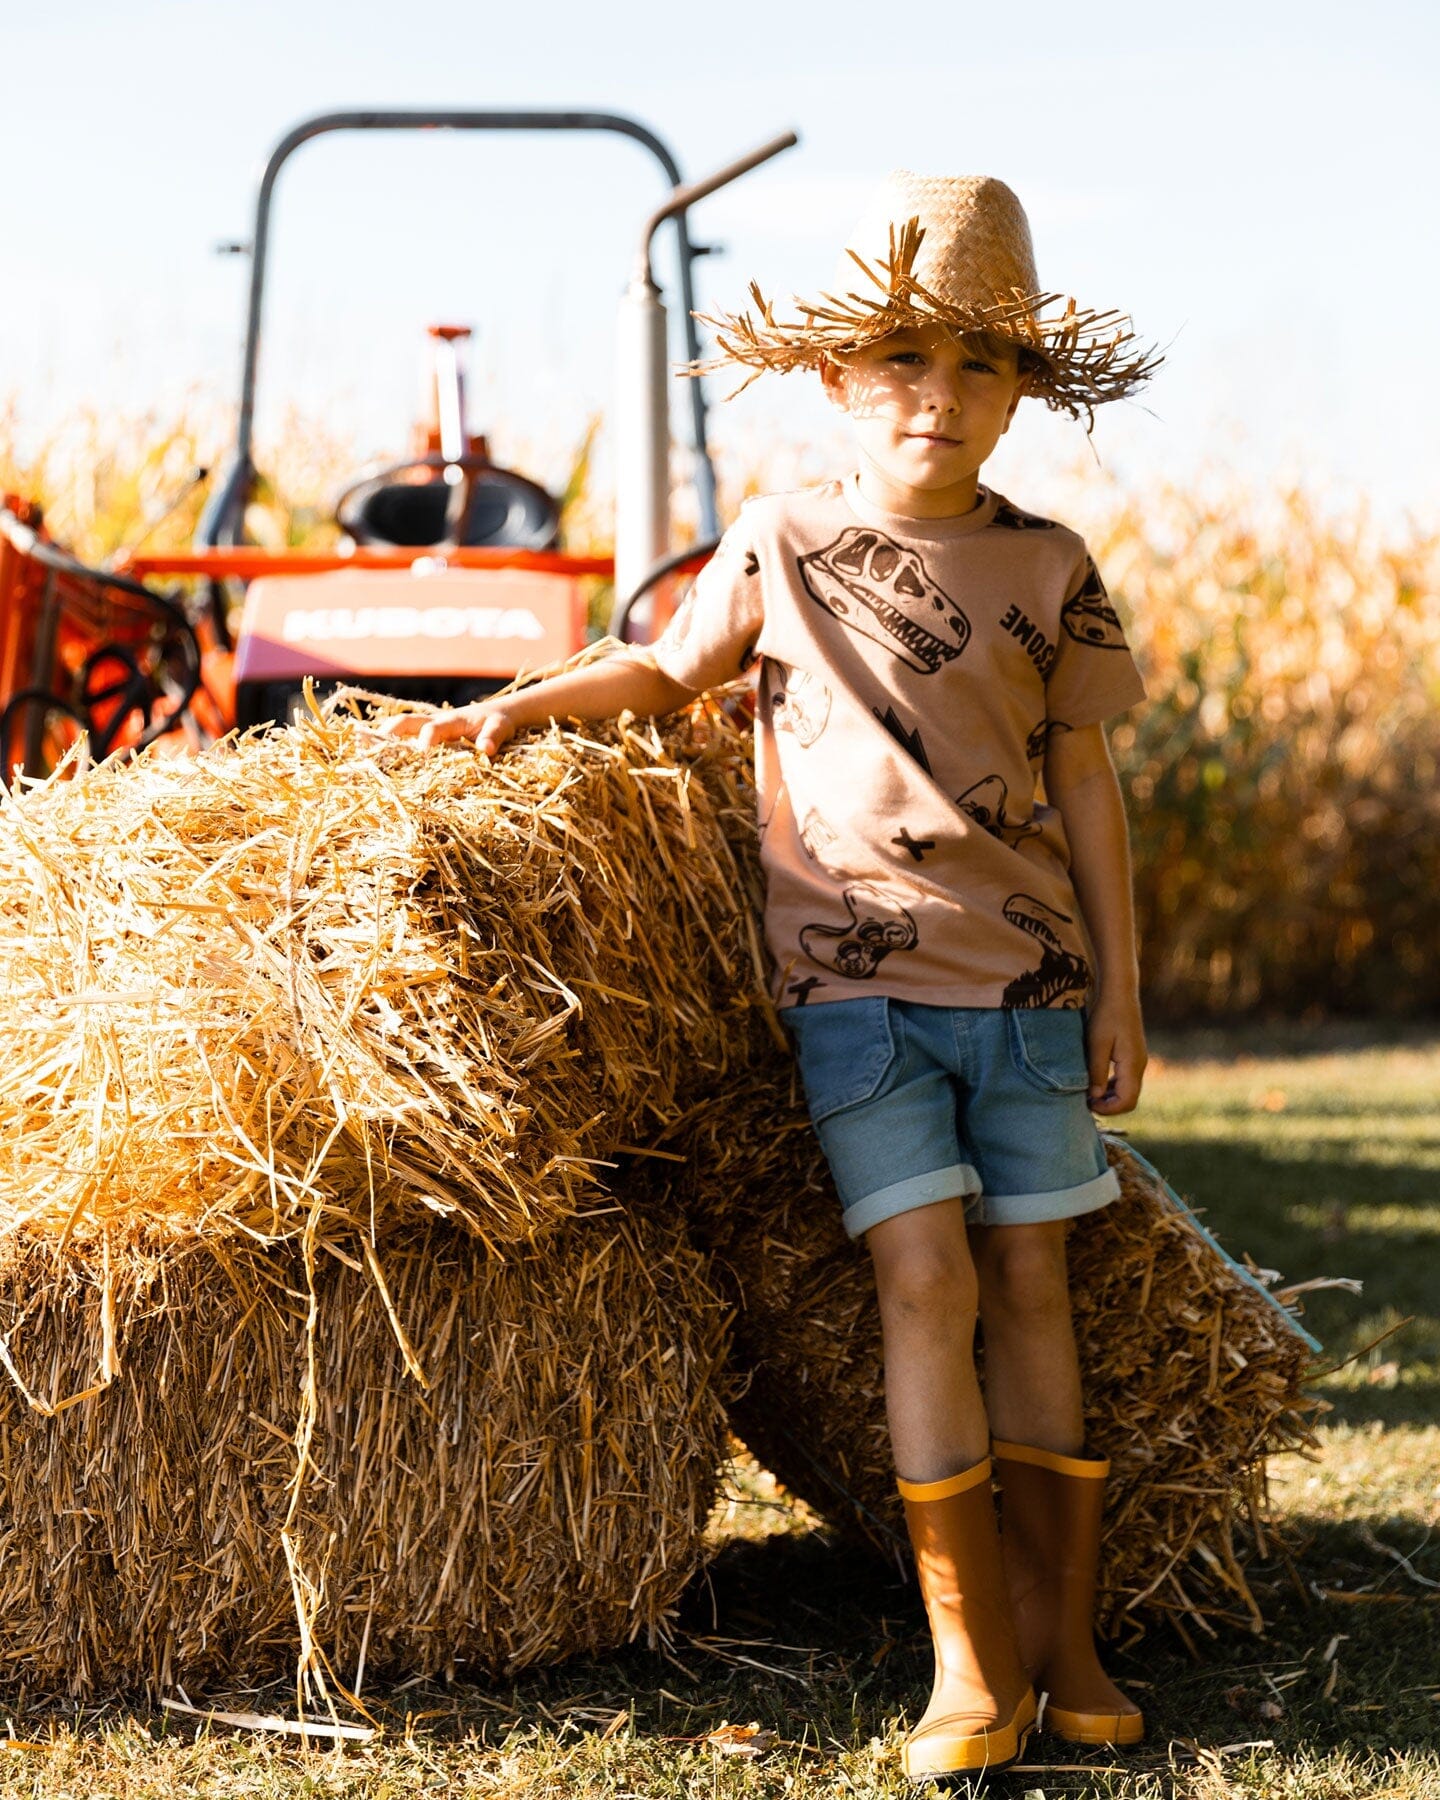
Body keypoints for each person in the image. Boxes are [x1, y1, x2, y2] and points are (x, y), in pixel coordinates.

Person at [383, 171, 1159, 1782]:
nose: (935, 399)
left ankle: (1059, 1641)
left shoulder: (1049, 568)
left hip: (1030, 1002)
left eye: (975, 367)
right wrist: (520, 712)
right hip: (858, 1007)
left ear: (1021, 394)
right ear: (838, 384)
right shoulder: (784, 542)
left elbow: (1086, 784)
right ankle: (966, 1668)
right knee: (923, 1288)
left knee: (1033, 1290)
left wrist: (1128, 995)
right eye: (900, 365)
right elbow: (667, 669)